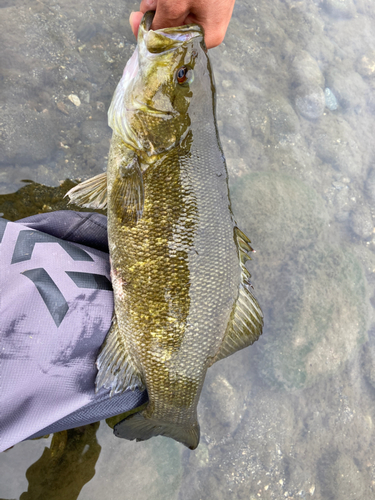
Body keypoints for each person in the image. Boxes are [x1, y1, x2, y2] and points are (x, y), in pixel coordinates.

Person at [0, 0, 236, 453]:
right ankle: (147, 398)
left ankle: (168, 406)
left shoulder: (144, 150)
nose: (179, 67)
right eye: (183, 78)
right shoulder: (149, 145)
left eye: (182, 77)